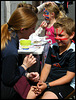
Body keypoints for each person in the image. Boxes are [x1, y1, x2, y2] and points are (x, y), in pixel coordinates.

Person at [26, 17, 75, 99]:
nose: (57, 38)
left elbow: (68, 77)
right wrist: (41, 83)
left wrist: (47, 85)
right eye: (55, 35)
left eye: (61, 35)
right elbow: (46, 67)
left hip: (64, 85)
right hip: (48, 81)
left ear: (71, 35)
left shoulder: (73, 52)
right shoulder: (53, 47)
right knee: (28, 95)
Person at [1, 7, 39, 99]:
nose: (34, 32)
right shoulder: (11, 51)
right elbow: (8, 80)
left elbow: (7, 70)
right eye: (32, 28)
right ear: (22, 30)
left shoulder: (8, 36)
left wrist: (26, 74)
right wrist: (25, 66)